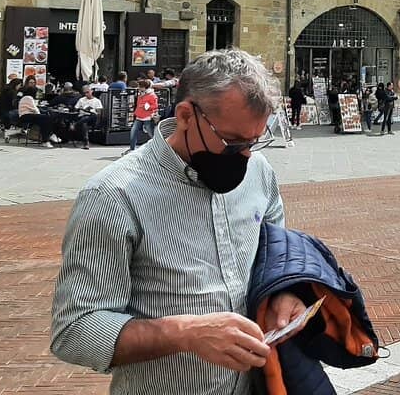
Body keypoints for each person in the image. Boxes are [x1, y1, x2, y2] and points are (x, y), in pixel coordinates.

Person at [51, 49, 306, 394]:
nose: (245, 156)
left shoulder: (259, 173)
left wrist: (284, 293)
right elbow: (75, 332)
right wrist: (185, 333)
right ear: (186, 115)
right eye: (232, 142)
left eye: (254, 141)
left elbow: (276, 256)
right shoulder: (113, 196)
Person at [125, 80, 158, 155]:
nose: (139, 88)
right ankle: (132, 148)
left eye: (140, 87)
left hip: (147, 117)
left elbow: (155, 106)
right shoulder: (141, 94)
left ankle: (156, 148)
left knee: (151, 133)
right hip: (139, 116)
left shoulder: (152, 95)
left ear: (144, 87)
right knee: (133, 131)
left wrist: (146, 107)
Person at [72, 85, 103, 150]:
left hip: (92, 118)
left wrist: (91, 110)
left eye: (87, 92)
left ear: (91, 91)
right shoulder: (81, 100)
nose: (86, 94)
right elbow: (75, 109)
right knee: (84, 123)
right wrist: (82, 109)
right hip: (83, 116)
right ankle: (86, 143)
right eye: (85, 93)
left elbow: (99, 113)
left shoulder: (97, 101)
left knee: (93, 115)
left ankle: (76, 124)